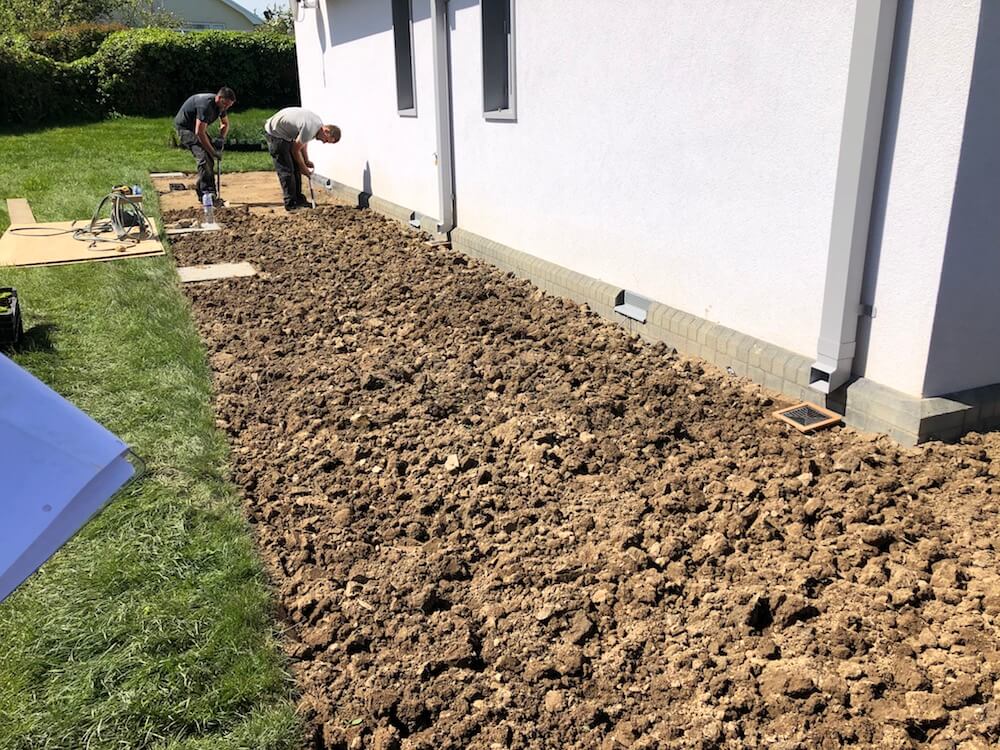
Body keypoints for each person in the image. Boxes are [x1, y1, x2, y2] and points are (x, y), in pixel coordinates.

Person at [263, 107, 341, 211]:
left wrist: (306, 160)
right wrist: (303, 167)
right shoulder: (311, 128)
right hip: (275, 134)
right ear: (326, 131)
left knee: (296, 167)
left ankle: (299, 200)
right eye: (326, 140)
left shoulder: (317, 125)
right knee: (287, 170)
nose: (323, 142)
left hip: (285, 134)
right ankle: (291, 204)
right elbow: (295, 150)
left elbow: (303, 143)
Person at [174, 87, 236, 201]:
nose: (226, 108)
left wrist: (221, 138)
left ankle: (208, 190)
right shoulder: (205, 105)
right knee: (203, 157)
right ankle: (206, 193)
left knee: (209, 159)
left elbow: (225, 124)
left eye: (229, 106)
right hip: (185, 129)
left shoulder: (221, 106)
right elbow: (199, 132)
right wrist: (213, 151)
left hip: (196, 129)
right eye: (225, 104)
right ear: (219, 98)